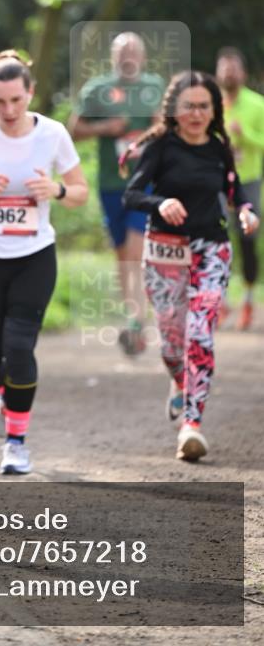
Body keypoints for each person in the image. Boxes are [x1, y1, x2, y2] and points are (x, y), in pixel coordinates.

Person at [122, 71, 259, 461]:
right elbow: (132, 194)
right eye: (189, 107)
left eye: (204, 106)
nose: (197, 114)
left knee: (200, 333)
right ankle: (180, 383)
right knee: (172, 341)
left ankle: (192, 425)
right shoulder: (161, 147)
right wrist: (159, 203)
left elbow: (234, 190)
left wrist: (247, 211)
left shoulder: (218, 146)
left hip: (211, 249)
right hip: (165, 249)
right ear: (175, 110)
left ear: (214, 110)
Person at [0, 46, 88, 476]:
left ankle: (16, 443)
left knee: (19, 348)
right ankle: (11, 394)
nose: (9, 109)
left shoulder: (52, 134)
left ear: (31, 92)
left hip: (35, 257)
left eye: (16, 100)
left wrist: (54, 190)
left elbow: (80, 192)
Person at [69, 32, 164, 356]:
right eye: (122, 51)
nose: (128, 57)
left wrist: (153, 129)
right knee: (124, 255)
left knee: (136, 251)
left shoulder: (154, 88)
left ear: (143, 56)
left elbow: (167, 130)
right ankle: (136, 316)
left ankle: (137, 322)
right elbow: (73, 129)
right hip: (111, 183)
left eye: (133, 51)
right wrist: (104, 128)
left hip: (144, 182)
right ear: (112, 56)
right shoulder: (97, 89)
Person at [215, 48, 264, 329]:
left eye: (233, 69)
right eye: (224, 69)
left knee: (247, 240)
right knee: (218, 238)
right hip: (219, 181)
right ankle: (221, 301)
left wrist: (245, 137)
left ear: (242, 74)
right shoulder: (212, 104)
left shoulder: (257, 104)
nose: (229, 74)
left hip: (249, 180)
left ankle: (247, 299)